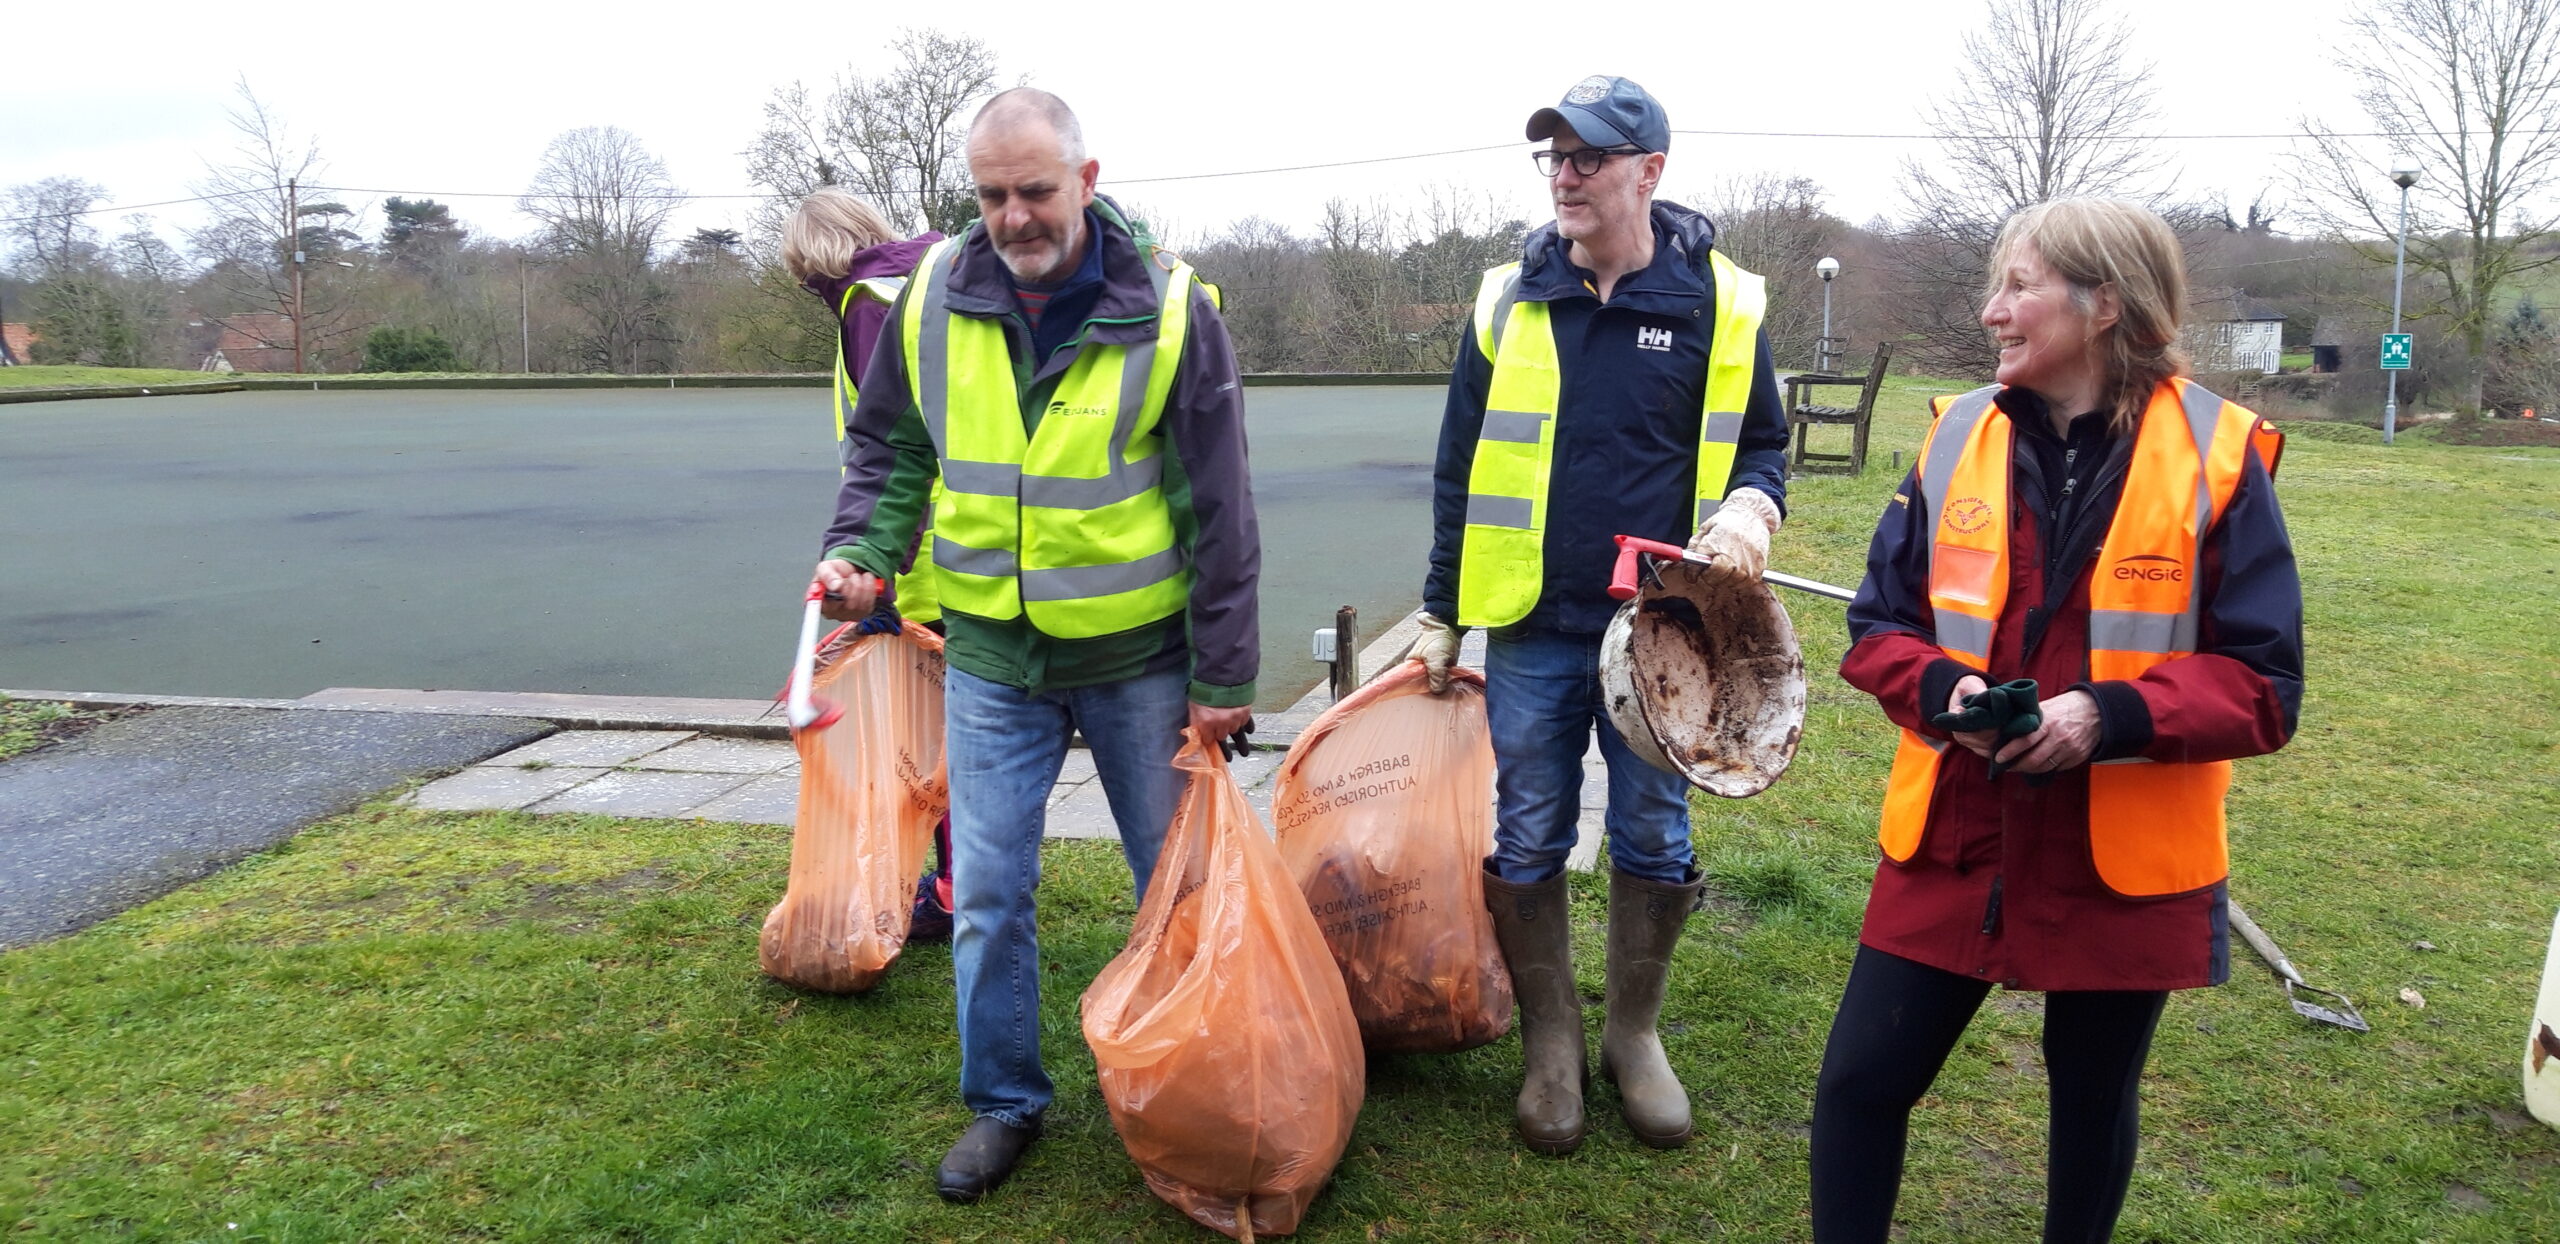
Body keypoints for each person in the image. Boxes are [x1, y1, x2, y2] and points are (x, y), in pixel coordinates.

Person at [1813, 197, 2302, 1243]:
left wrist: (2106, 714)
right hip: (1956, 828)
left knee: (2090, 1103)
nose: (1991, 312)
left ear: (2105, 304)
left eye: (2018, 286)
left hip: (2124, 852)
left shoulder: (2218, 456)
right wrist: (1946, 693)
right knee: (1859, 1082)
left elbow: (2265, 683)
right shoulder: (1952, 440)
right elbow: (1875, 628)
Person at [805, 87, 1259, 1204]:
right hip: (993, 660)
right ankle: (1005, 1100)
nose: (1014, 216)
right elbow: (889, 452)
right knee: (991, 890)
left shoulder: (1172, 307)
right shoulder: (924, 301)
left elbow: (1219, 503)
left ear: (1087, 180)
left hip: (1138, 661)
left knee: (1173, 889)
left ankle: (1187, 1084)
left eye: (1037, 191)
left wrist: (1224, 676)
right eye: (992, 194)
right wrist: (862, 552)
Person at [1418, 75, 1791, 1156]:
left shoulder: (1720, 301)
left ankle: (1632, 1033)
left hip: (1663, 634)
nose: (1566, 175)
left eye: (1589, 156)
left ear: (1649, 172)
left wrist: (1747, 515)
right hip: (1530, 623)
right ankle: (1552, 1035)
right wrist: (1443, 609)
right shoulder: (1507, 298)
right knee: (1529, 819)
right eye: (1554, 156)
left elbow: (1763, 446)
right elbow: (1457, 469)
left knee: (1650, 825)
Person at [780, 186, 956, 940]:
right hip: (943, 548)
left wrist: (871, 565)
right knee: (947, 737)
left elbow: (894, 446)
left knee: (936, 742)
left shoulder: (867, 306)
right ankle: (947, 883)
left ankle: (951, 891)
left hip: (920, 560)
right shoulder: (918, 280)